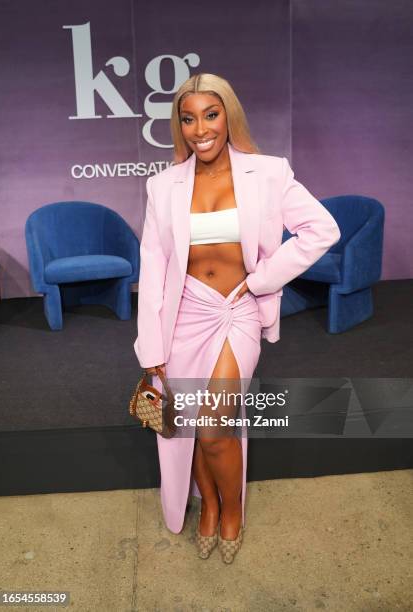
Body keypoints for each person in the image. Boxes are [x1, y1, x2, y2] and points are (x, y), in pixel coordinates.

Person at [133, 73, 341, 563]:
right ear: (178, 125)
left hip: (236, 311)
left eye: (211, 114)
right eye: (189, 118)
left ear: (229, 116)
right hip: (182, 314)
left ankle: (232, 513)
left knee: (211, 426)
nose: (200, 128)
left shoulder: (268, 173)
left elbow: (321, 229)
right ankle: (206, 509)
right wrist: (151, 347)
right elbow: (154, 265)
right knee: (187, 425)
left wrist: (264, 278)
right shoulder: (162, 186)